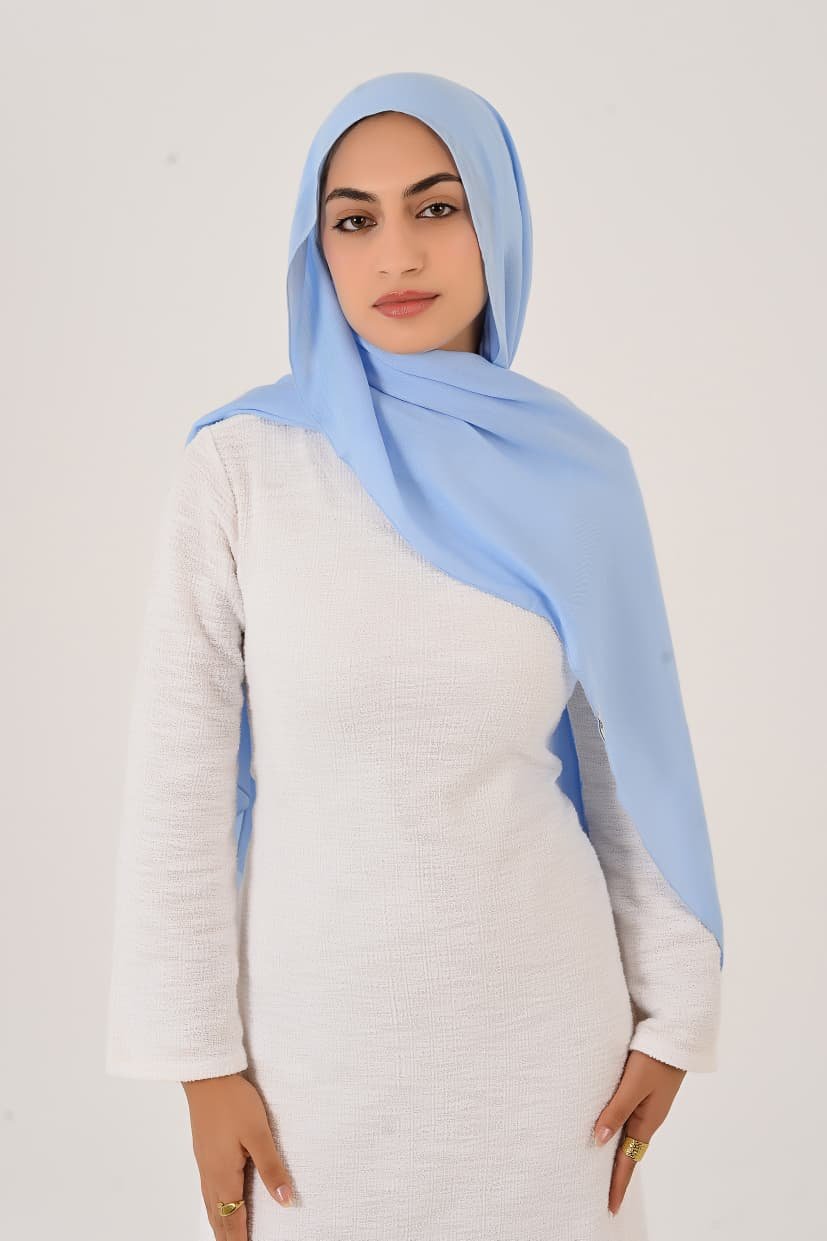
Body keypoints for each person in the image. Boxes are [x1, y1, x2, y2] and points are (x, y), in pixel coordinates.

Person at [105, 72, 723, 1240]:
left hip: (552, 1062)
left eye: (437, 207)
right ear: (317, 250)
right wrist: (199, 1063)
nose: (397, 253)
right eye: (354, 220)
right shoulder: (243, 467)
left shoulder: (579, 474)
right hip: (310, 1065)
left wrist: (673, 1018)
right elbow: (177, 780)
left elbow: (633, 765)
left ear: (498, 221)